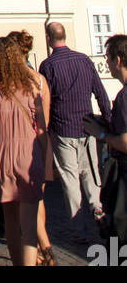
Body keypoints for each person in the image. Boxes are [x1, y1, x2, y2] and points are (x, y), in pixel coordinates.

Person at [40, 20, 112, 243]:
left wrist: (46, 131)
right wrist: (107, 121)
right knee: (91, 175)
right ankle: (98, 210)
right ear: (65, 36)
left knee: (71, 182)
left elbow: (45, 102)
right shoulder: (84, 60)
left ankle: (79, 231)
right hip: (88, 128)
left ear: (49, 39)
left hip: (62, 130)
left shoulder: (48, 66)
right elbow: (100, 93)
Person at [0, 37, 46, 267]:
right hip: (29, 155)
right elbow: (42, 130)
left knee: (10, 221)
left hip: (3, 155)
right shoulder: (33, 85)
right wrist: (46, 162)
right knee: (29, 227)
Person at [7, 29, 55, 265]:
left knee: (22, 208)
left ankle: (43, 248)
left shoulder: (9, 82)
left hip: (20, 147)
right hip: (39, 143)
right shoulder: (39, 79)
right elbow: (44, 120)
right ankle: (38, 248)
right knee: (38, 201)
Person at [84, 34, 127, 245]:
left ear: (118, 60)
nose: (107, 63)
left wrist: (101, 134)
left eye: (108, 58)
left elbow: (126, 142)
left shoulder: (125, 97)